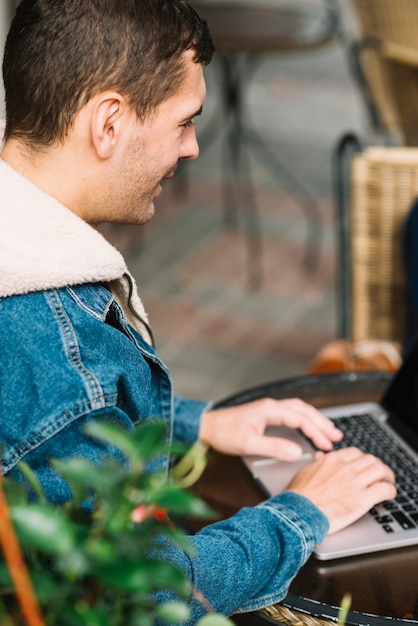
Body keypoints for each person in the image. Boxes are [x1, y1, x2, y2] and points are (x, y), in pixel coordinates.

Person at [0, 0, 396, 622]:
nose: (192, 148)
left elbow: (42, 431)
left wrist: (197, 425)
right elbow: (151, 597)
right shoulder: (66, 355)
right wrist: (304, 509)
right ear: (108, 123)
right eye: (184, 122)